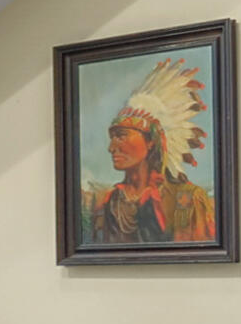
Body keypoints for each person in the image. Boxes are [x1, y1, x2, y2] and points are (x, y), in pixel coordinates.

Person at [85, 58, 218, 247]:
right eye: (112, 137)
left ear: (151, 142)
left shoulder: (188, 200)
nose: (111, 147)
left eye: (121, 136)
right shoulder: (111, 201)